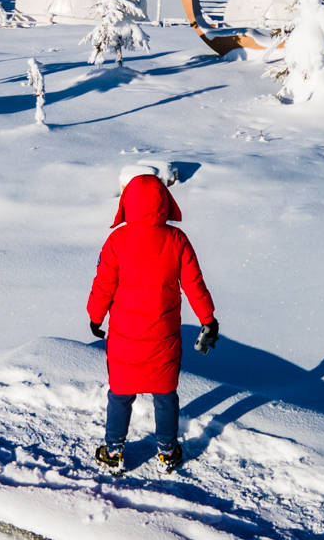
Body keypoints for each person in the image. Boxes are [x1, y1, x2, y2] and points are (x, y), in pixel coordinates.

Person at [87, 172, 218, 475]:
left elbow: (103, 285)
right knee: (165, 396)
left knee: (120, 396)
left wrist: (95, 316)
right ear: (163, 202)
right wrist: (207, 319)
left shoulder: (117, 241)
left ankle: (113, 451)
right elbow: (195, 285)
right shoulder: (177, 240)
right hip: (164, 338)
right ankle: (167, 453)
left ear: (127, 203)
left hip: (124, 339)